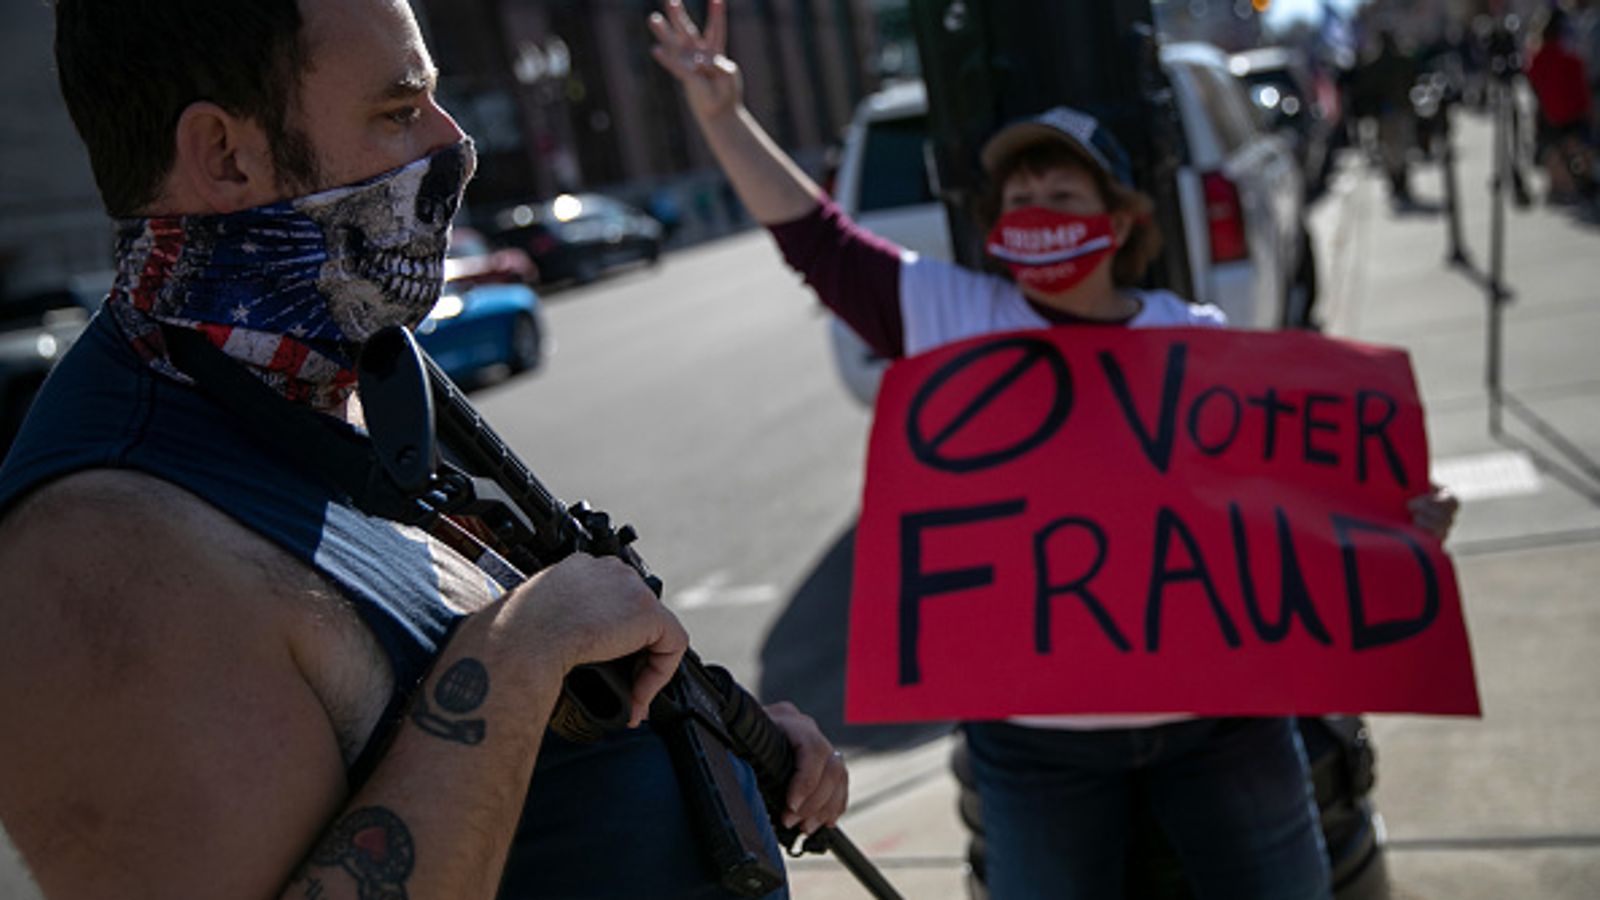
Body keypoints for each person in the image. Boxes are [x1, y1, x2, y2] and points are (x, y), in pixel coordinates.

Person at [0, 2, 848, 898]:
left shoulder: (319, 363)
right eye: (398, 111)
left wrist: (716, 742)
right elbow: (500, 669)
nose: (453, 142)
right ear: (224, 154)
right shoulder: (99, 557)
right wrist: (520, 655)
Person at [649, 1, 1461, 897]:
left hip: (1224, 724)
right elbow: (817, 240)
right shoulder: (951, 314)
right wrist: (722, 115)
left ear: (1119, 221)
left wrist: (1395, 523)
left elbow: (1293, 503)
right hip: (1035, 749)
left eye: (1063, 196)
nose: (1037, 212)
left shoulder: (1195, 338)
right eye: (1021, 199)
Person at [1525, 7, 1596, 203]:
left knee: (1553, 151)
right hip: (1572, 113)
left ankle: (1562, 186)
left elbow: (1532, 82)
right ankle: (1582, 181)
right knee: (1579, 145)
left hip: (1551, 115)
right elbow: (1582, 86)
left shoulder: (1538, 58)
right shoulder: (1570, 58)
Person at [1353, 30, 1422, 206]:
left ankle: (1397, 181)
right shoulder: (1400, 62)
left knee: (1391, 151)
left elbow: (1365, 87)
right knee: (1401, 148)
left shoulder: (1377, 65)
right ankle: (1400, 181)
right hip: (1396, 112)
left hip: (1389, 114)